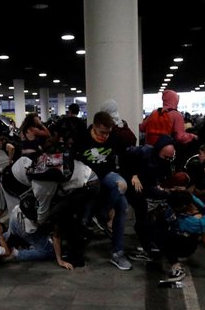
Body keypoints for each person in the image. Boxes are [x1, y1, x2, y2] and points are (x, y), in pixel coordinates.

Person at [71, 110, 131, 270]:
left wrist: (134, 175)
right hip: (87, 179)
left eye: (107, 133)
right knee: (121, 204)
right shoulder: (82, 138)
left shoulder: (114, 138)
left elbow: (125, 158)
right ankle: (101, 215)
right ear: (94, 126)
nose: (105, 136)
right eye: (101, 132)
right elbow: (72, 162)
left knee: (122, 190)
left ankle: (117, 250)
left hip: (106, 175)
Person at [155, 191, 205, 283]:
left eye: (174, 207)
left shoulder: (198, 221)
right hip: (178, 230)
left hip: (185, 245)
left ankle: (176, 266)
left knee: (160, 235)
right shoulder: (188, 198)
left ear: (183, 206)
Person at [141, 90, 198, 156]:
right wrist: (192, 136)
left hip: (149, 151)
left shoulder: (154, 112)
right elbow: (180, 137)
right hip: (165, 152)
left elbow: (142, 128)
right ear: (175, 100)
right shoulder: (176, 115)